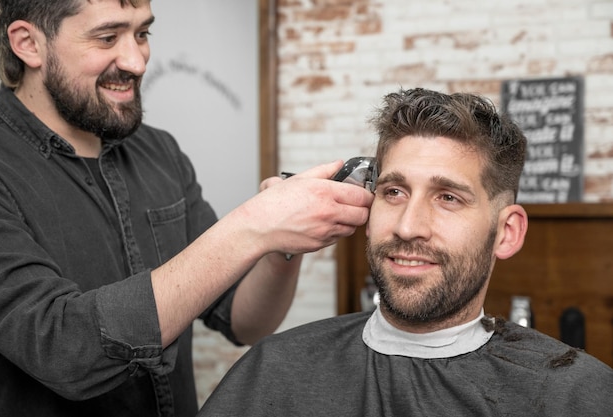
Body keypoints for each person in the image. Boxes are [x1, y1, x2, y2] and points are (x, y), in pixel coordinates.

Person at [0, 1, 374, 416]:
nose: (136, 61)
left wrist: (282, 245)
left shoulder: (160, 152)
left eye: (142, 34)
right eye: (107, 38)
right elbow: (66, 351)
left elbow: (244, 322)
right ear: (28, 44)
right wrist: (253, 225)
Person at [197, 88, 613, 416]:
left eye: (448, 197)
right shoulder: (277, 370)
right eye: (393, 192)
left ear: (506, 232)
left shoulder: (576, 394)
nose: (408, 226)